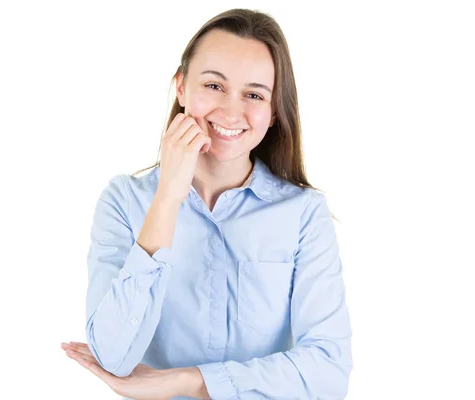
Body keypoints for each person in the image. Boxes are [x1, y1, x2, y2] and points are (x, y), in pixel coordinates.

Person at [61, 8, 353, 400]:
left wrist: (188, 380)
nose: (231, 111)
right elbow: (113, 358)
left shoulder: (303, 213)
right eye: (214, 86)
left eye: (253, 95)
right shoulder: (124, 201)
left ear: (272, 114)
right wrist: (168, 197)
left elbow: (328, 372)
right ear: (181, 87)